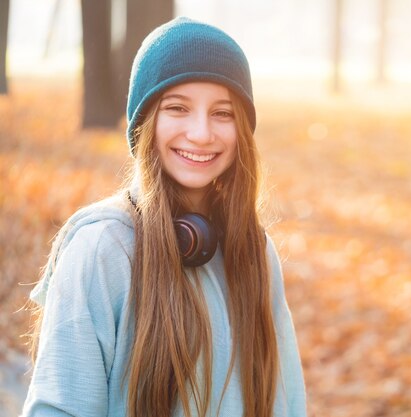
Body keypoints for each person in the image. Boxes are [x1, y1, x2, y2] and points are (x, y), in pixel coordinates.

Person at [21, 17, 306, 417]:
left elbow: (286, 401)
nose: (202, 133)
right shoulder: (103, 248)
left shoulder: (255, 250)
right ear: (145, 123)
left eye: (222, 113)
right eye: (178, 108)